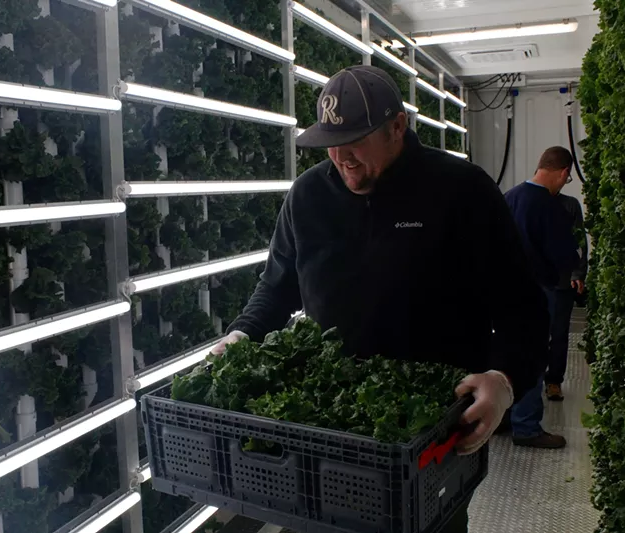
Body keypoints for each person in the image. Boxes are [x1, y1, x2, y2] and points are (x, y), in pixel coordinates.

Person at [213, 65, 549, 533]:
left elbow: (522, 307)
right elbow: (276, 286)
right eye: (331, 142)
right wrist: (241, 334)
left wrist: (505, 380)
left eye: (355, 140)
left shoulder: (462, 190)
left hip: (432, 431)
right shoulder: (308, 196)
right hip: (330, 427)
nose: (341, 157)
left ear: (397, 127)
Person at [502, 147, 582, 449]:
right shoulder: (549, 207)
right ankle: (526, 426)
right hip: (537, 292)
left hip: (506, 291)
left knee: (508, 354)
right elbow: (565, 256)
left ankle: (504, 417)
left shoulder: (509, 197)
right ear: (563, 173)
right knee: (533, 357)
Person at [545, 192, 588, 400]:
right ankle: (529, 381)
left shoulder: (570, 205)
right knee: (533, 333)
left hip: (562, 282)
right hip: (535, 281)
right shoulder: (528, 200)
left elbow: (579, 242)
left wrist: (578, 273)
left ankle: (554, 381)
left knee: (559, 333)